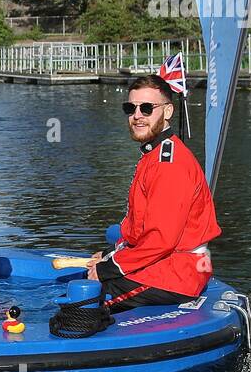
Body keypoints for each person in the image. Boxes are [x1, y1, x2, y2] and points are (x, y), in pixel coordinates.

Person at [87, 74, 221, 311]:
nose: (137, 116)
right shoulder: (154, 154)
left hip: (175, 275)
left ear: (168, 111)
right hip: (165, 265)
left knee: (80, 304)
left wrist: (111, 267)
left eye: (147, 108)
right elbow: (141, 229)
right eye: (131, 108)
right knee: (84, 279)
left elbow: (160, 240)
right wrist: (111, 254)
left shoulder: (168, 164)